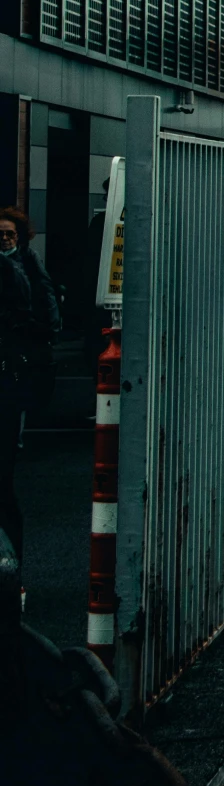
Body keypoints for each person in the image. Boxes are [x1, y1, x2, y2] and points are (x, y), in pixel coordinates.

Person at [0, 207, 54, 566]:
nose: (4, 239)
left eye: (9, 234)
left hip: (14, 368)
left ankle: (11, 568)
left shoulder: (25, 268)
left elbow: (45, 314)